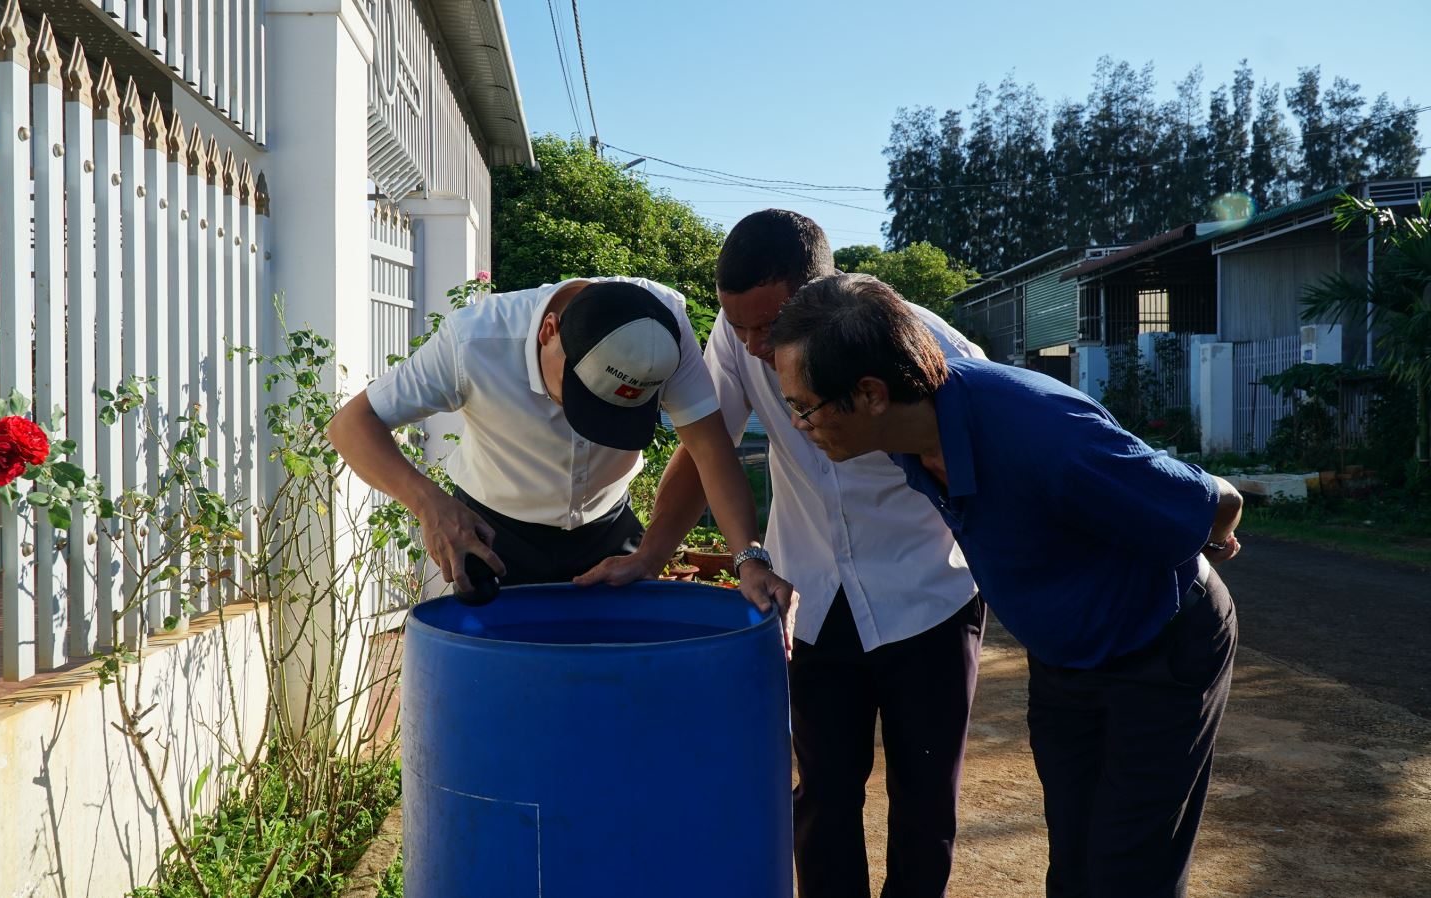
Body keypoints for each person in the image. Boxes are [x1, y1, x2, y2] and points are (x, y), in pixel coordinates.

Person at [771, 273, 1243, 898]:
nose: (799, 424)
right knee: (1072, 864)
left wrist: (1206, 539)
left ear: (870, 394)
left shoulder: (1042, 435)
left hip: (1159, 648)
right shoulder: (910, 435)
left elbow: (1215, 500)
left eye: (804, 407)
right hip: (1064, 660)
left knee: (1128, 872)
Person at [578, 210, 985, 898]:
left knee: (925, 803)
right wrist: (649, 555)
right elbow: (704, 448)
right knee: (822, 797)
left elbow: (990, 458)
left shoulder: (924, 342)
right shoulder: (738, 339)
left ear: (821, 294)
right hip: (813, 603)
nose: (755, 345)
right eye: (740, 327)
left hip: (929, 600)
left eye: (769, 327)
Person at [326, 275, 795, 619]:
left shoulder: (661, 329)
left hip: (608, 533)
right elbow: (351, 425)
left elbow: (710, 449)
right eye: (579, 395)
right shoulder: (475, 341)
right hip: (495, 537)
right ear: (549, 331)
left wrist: (747, 558)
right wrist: (429, 503)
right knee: (505, 700)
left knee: (619, 696)